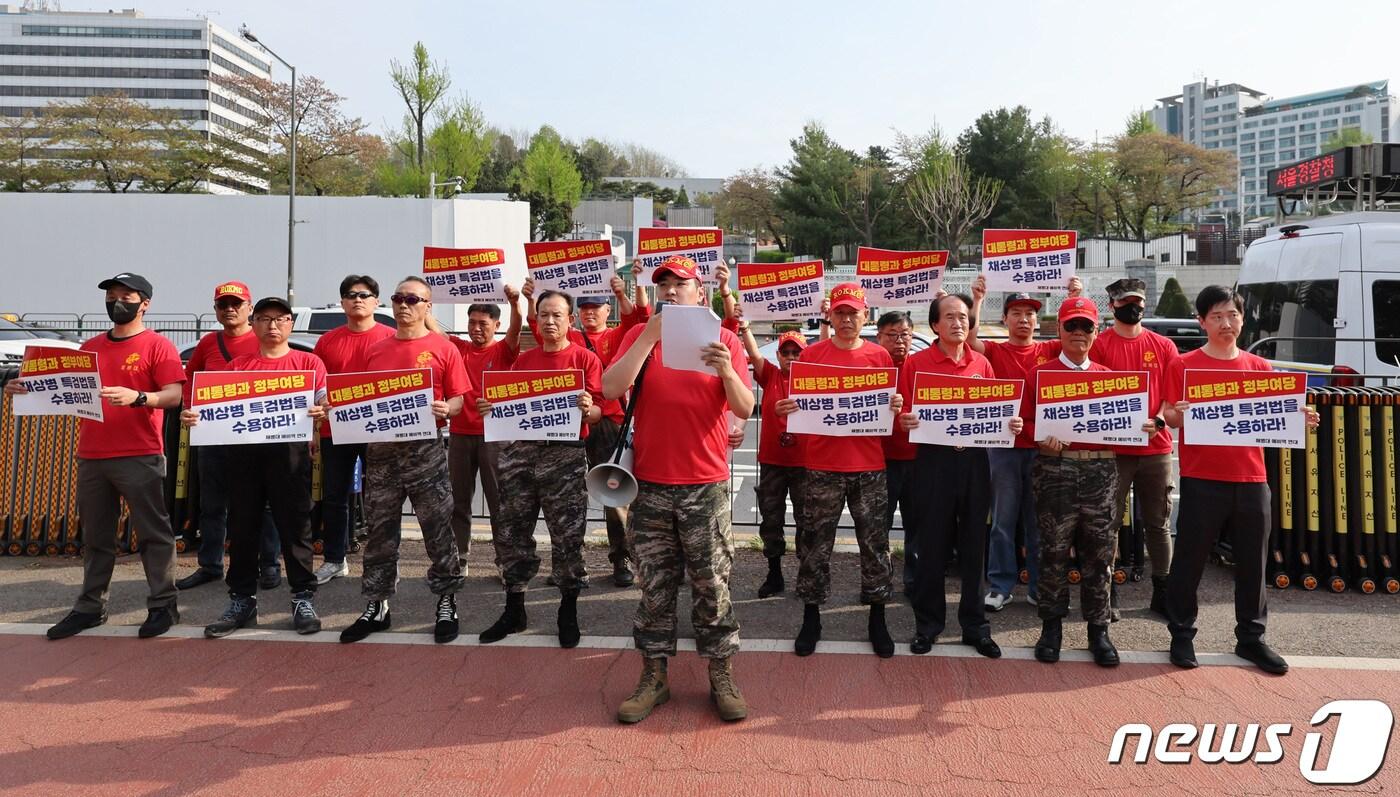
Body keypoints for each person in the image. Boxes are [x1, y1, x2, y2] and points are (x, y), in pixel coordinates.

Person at [602, 255, 753, 724]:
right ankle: (654, 676)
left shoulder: (723, 339)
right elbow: (610, 387)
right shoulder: (639, 335)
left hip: (703, 486)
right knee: (654, 587)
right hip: (650, 484)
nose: (669, 291)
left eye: (679, 285)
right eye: (662, 284)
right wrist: (648, 336)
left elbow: (745, 408)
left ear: (699, 294)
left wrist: (727, 370)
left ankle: (721, 673)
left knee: (713, 585)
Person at [6, 273, 186, 640]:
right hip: (91, 454)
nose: (117, 301)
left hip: (140, 454)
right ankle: (90, 607)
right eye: (112, 295)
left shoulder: (158, 345)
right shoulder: (89, 346)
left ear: (145, 303)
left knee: (153, 534)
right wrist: (22, 389)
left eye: (127, 295)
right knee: (97, 537)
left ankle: (163, 604)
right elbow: (61, 390)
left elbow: (173, 395)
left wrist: (138, 397)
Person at [1162, 285, 1320, 674]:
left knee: (1252, 561)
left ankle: (1251, 638)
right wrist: (1177, 415)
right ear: (1201, 321)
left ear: (1243, 319)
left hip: (1251, 478)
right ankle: (1181, 634)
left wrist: (1300, 418)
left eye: (1232, 315)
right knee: (1190, 559)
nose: (1226, 323)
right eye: (1216, 316)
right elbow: (1166, 413)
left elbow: (1280, 413)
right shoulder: (1183, 366)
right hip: (1201, 477)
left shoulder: (1260, 368)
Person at [183, 297, 329, 637]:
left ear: (291, 323)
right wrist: (194, 416)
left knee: (295, 526)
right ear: (255, 322)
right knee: (243, 525)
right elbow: (209, 408)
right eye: (264, 318)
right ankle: (242, 599)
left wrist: (323, 409)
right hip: (244, 454)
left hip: (290, 453)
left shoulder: (308, 362)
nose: (272, 325)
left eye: (280, 319)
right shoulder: (237, 367)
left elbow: (324, 399)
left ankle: (302, 597)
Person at [338, 277, 469, 645]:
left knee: (437, 527)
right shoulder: (377, 349)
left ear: (428, 306)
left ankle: (447, 600)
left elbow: (460, 399)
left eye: (413, 299)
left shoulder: (443, 349)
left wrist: (448, 408)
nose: (404, 305)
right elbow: (361, 399)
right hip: (381, 452)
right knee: (380, 530)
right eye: (398, 298)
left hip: (425, 450)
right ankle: (377, 606)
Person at [775, 283, 901, 659]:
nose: (847, 319)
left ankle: (878, 617)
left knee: (875, 545)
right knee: (815, 545)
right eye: (840, 313)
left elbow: (887, 408)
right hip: (821, 466)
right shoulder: (811, 355)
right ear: (830, 316)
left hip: (869, 467)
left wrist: (894, 403)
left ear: (866, 316)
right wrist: (787, 410)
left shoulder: (880, 357)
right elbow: (800, 405)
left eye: (854, 313)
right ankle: (811, 616)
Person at [475, 290, 604, 648]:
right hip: (520, 455)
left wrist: (587, 406)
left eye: (557, 315)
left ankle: (568, 611)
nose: (549, 321)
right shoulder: (524, 360)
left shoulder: (584, 359)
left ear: (570, 321)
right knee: (512, 533)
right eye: (544, 314)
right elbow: (506, 405)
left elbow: (597, 413)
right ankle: (514, 609)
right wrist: (492, 407)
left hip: (563, 456)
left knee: (567, 537)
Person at [897, 294, 1009, 659]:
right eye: (949, 317)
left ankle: (975, 627)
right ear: (934, 325)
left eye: (963, 316)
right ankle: (928, 626)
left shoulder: (982, 363)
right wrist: (906, 419)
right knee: (932, 545)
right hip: (933, 461)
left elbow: (992, 413)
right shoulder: (917, 364)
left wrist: (1010, 423)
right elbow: (904, 411)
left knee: (975, 546)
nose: (958, 323)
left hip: (975, 462)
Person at [524, 262, 650, 586]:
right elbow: (539, 328)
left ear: (608, 310)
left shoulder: (616, 335)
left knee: (614, 492)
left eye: (596, 307)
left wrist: (628, 289)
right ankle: (566, 561)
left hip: (610, 421)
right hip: (567, 424)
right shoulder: (572, 336)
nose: (590, 312)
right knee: (565, 495)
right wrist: (528, 298)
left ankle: (621, 559)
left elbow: (639, 319)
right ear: (576, 314)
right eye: (585, 308)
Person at [967, 276, 1084, 612]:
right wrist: (977, 299)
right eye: (1015, 312)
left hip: (1042, 449)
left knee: (1039, 523)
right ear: (1004, 319)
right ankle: (1001, 585)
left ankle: (1037, 584)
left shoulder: (1048, 349)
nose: (1023, 319)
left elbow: (1076, 334)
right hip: (1003, 448)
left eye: (1029, 313)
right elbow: (971, 339)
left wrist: (1073, 297)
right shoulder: (996, 350)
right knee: (1003, 522)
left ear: (1038, 318)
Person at [1020, 297, 1120, 666]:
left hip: (1100, 471)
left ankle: (1099, 630)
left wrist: (1140, 426)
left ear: (1097, 331)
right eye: (1071, 326)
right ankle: (1051, 628)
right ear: (1059, 330)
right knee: (1052, 551)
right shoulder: (1039, 374)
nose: (1079, 333)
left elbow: (1128, 427)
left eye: (1086, 327)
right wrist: (1037, 435)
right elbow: (1023, 423)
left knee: (1099, 554)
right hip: (1055, 470)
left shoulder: (1111, 381)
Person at [176, 281, 283, 592]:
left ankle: (269, 565)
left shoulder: (263, 340)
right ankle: (210, 565)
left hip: (256, 440)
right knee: (213, 504)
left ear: (250, 309)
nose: (230, 309)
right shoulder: (208, 343)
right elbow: (190, 380)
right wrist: (189, 408)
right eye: (224, 305)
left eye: (237, 303)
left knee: (263, 504)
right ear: (216, 310)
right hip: (213, 437)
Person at [1090, 277, 1181, 619]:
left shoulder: (1163, 346)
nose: (1134, 307)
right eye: (1126, 302)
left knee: (1157, 523)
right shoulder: (1100, 345)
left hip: (1155, 449)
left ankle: (1163, 589)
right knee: (1107, 521)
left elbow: (1171, 397)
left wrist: (1158, 419)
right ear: (1112, 305)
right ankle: (1107, 591)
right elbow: (1091, 393)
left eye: (1138, 302)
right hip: (1112, 450)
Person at [311, 276, 396, 584]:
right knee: (335, 496)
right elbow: (316, 388)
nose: (357, 299)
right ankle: (335, 559)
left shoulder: (392, 337)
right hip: (335, 431)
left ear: (376, 301)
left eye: (364, 294)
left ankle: (383, 560)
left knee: (382, 496)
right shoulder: (327, 341)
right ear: (342, 302)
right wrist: (313, 429)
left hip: (378, 431)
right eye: (350, 295)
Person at [446, 286, 522, 573]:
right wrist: (426, 306)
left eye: (483, 324)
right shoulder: (459, 348)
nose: (476, 329)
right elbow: (433, 332)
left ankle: (504, 560)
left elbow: (516, 331)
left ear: (496, 326)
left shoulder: (503, 350)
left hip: (494, 436)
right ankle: (460, 557)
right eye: (472, 323)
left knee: (498, 502)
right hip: (460, 435)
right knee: (458, 500)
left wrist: (515, 304)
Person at [736, 321, 806, 598]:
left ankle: (806, 575)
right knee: (771, 520)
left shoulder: (814, 378)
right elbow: (754, 355)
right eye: (785, 352)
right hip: (773, 462)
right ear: (778, 355)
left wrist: (824, 323)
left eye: (796, 353)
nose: (791, 357)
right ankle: (774, 573)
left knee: (807, 521)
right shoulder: (772, 375)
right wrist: (745, 328)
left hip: (804, 463)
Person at [874, 310, 919, 595]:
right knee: (879, 527)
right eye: (892, 335)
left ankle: (914, 581)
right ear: (879, 337)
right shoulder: (871, 367)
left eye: (904, 335)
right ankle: (880, 580)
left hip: (918, 462)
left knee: (917, 526)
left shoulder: (922, 367)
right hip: (882, 461)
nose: (899, 341)